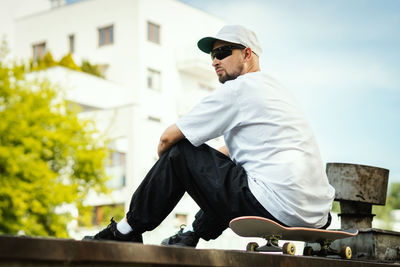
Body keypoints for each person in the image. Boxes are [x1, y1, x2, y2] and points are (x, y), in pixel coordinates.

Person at [84, 25, 335, 247]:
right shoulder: (277, 90)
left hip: (275, 206)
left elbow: (167, 140)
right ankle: (192, 234)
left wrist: (172, 165)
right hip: (317, 215)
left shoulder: (239, 89)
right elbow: (223, 159)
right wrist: (198, 172)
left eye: (223, 53)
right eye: (212, 56)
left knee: (181, 151)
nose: (215, 61)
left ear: (247, 54)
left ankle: (126, 231)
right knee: (229, 170)